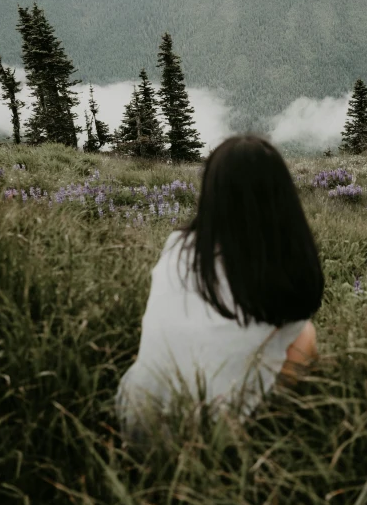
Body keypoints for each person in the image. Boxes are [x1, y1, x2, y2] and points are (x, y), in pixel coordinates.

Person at [116, 134, 325, 439]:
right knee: (304, 335)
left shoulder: (178, 246)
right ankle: (273, 426)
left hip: (135, 416)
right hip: (206, 438)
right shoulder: (276, 270)